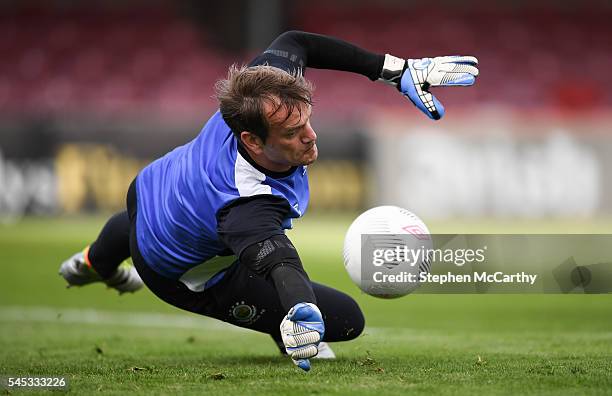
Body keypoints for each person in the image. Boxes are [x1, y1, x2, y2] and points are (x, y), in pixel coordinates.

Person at [59, 31, 478, 371]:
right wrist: (299, 311)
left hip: (149, 188)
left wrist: (396, 70)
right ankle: (276, 328)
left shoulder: (259, 96)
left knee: (138, 221)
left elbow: (296, 42)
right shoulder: (246, 206)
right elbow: (281, 263)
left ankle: (93, 263)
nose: (311, 137)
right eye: (293, 135)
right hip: (174, 272)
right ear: (252, 141)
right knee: (348, 319)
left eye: (307, 122)